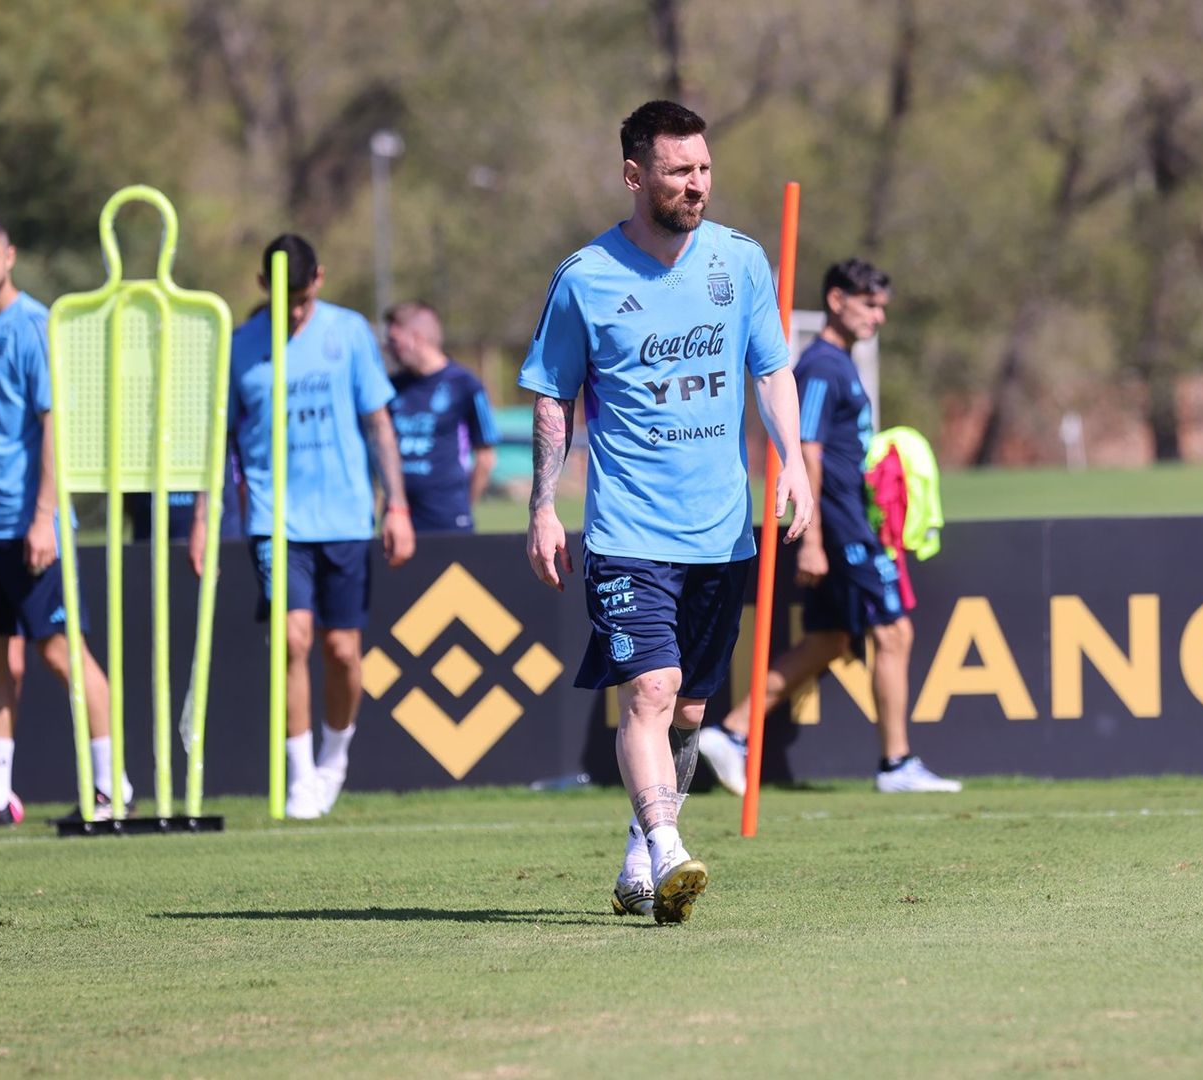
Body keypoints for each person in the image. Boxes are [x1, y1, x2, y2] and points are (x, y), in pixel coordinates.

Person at [521, 100, 812, 924]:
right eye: (680, 170)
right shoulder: (586, 277)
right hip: (628, 532)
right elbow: (553, 397)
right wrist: (543, 505)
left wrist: (793, 461)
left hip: (721, 531)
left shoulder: (741, 262)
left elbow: (770, 370)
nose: (697, 184)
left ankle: (640, 855)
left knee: (688, 710)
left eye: (705, 168)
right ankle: (670, 847)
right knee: (651, 689)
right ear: (633, 175)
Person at [698, 259, 959, 796]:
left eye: (882, 306)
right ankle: (896, 764)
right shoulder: (820, 366)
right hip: (840, 529)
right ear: (836, 300)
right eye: (869, 304)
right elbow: (806, 448)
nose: (878, 316)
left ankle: (732, 733)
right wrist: (813, 536)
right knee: (894, 632)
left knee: (828, 641)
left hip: (848, 523)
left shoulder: (841, 363)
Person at [190, 234, 414, 819]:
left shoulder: (349, 332)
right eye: (280, 297)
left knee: (342, 651)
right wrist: (203, 519)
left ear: (318, 279)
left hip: (343, 515)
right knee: (292, 640)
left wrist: (396, 505)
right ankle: (299, 777)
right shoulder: (240, 345)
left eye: (301, 297)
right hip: (275, 519)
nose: (291, 311)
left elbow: (378, 423)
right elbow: (218, 443)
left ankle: (332, 759)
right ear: (261, 286)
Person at [0, 212, 126, 827]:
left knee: (63, 655)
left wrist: (44, 518)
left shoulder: (37, 327)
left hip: (31, 529)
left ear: (10, 257)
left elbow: (55, 429)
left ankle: (111, 787)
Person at [383, 301, 499, 533]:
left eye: (394, 341)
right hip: (399, 518)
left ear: (417, 338)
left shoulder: (465, 384)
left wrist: (463, 507)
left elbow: (485, 458)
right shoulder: (391, 387)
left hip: (447, 518)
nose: (388, 348)